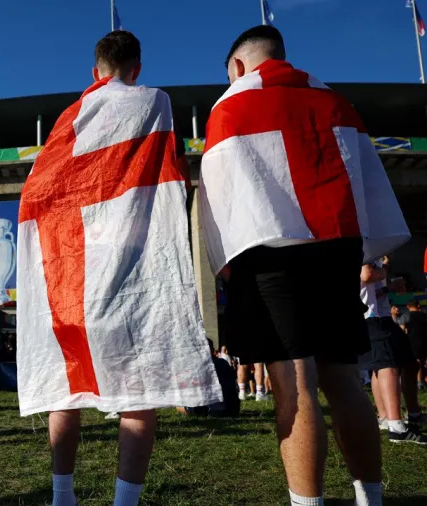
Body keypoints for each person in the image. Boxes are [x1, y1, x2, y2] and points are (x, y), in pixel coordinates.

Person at [199, 25, 412, 506]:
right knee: (341, 376)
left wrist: (225, 265)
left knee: (293, 379)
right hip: (336, 246)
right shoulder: (335, 101)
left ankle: (306, 502)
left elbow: (221, 200)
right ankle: (370, 497)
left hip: (270, 253)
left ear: (236, 67)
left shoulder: (230, 105)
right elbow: (368, 184)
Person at [17, 30, 220, 506]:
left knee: (65, 391)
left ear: (95, 71)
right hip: (128, 276)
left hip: (69, 279)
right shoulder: (153, 101)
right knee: (139, 391)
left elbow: (35, 195)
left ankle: (61, 495)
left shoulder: (67, 122)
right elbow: (173, 172)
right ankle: (123, 502)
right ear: (138, 68)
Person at [361, 259, 426, 438]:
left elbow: (371, 289)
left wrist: (388, 287)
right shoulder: (367, 245)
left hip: (381, 315)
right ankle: (395, 426)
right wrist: (386, 274)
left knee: (409, 363)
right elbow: (366, 275)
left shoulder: (375, 251)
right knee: (385, 365)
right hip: (370, 316)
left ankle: (411, 414)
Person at [398, 300, 427, 390]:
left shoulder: (405, 316)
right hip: (425, 340)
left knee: (416, 362)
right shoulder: (424, 315)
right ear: (418, 306)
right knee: (424, 361)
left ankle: (419, 383)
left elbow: (402, 331)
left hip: (412, 341)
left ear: (408, 306)